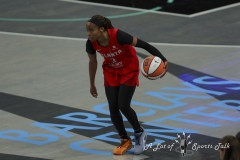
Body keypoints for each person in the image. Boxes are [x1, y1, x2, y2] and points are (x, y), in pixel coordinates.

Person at [85, 15, 168, 155]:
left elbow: (144, 45)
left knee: (123, 105)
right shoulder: (90, 43)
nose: (88, 33)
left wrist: (163, 60)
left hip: (129, 68)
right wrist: (92, 84)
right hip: (111, 70)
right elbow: (93, 62)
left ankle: (139, 133)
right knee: (113, 107)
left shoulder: (119, 36)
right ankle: (125, 140)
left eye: (91, 30)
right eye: (87, 30)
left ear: (102, 29)